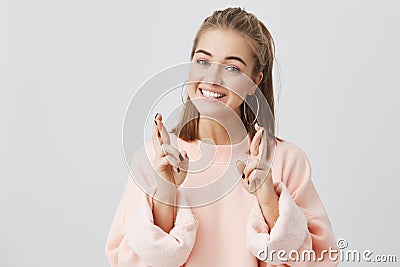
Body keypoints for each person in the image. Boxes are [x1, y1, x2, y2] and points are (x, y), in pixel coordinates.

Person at [105, 7, 339, 267]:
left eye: (232, 68)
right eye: (203, 62)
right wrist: (165, 192)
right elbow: (126, 261)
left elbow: (320, 260)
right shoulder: (154, 158)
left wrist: (268, 201)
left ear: (254, 82)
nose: (213, 79)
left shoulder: (286, 161)